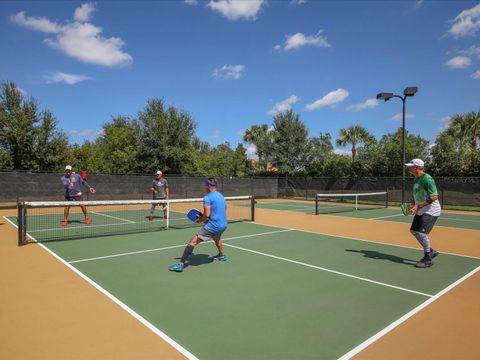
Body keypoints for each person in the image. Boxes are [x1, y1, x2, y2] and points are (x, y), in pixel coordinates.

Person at [169, 178, 227, 272]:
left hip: (213, 226)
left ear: (208, 186)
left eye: (205, 185)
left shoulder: (207, 197)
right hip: (223, 224)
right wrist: (209, 219)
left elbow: (207, 215)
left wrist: (200, 219)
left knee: (192, 242)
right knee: (217, 238)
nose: (204, 187)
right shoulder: (221, 196)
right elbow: (222, 210)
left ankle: (180, 265)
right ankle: (222, 255)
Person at [406, 158, 441, 268]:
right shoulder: (416, 179)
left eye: (410, 166)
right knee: (413, 231)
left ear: (416, 167)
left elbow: (434, 196)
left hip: (431, 210)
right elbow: (416, 194)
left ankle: (427, 259)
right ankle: (431, 251)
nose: (408, 167)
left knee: (421, 233)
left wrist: (418, 206)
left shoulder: (427, 178)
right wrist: (413, 203)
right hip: (422, 210)